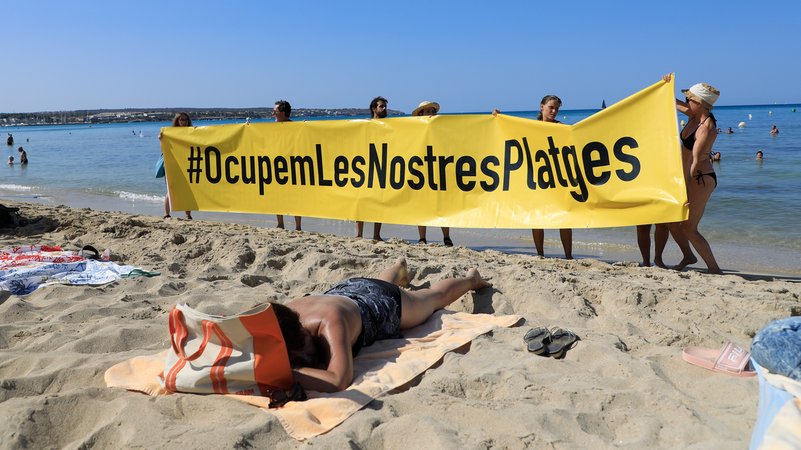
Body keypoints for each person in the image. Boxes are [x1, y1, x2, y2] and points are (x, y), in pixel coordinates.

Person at [271, 257, 491, 392]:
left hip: (381, 303)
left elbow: (338, 380)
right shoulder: (284, 317)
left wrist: (283, 372)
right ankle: (398, 266)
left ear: (302, 330)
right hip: (347, 290)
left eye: (302, 352)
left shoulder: (329, 322)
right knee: (380, 282)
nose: (305, 358)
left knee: (433, 298)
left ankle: (472, 279)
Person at [666, 75, 723, 274]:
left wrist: (686, 190)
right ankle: (688, 256)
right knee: (672, 220)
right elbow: (670, 101)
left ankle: (714, 269)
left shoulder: (706, 128)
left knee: (689, 228)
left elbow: (695, 161)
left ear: (699, 103)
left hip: (699, 179)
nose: (686, 101)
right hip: (688, 177)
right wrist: (666, 86)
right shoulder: (694, 115)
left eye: (689, 98)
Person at [531, 95, 573, 259]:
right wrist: (498, 117)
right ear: (542, 107)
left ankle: (568, 256)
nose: (554, 111)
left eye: (557, 108)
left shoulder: (561, 127)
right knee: (537, 217)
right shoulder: (530, 127)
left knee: (564, 216)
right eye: (551, 107)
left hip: (558, 177)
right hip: (537, 177)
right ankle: (540, 254)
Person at [412, 100, 453, 247]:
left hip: (438, 167)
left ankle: (446, 237)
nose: (431, 114)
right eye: (428, 111)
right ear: (421, 114)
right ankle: (422, 238)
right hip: (421, 169)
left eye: (432, 111)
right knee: (421, 205)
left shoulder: (441, 128)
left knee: (442, 205)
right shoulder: (414, 129)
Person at [355, 96, 388, 241]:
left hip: (382, 166)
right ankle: (359, 234)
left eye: (385, 106)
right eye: (381, 106)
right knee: (360, 201)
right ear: (374, 108)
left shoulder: (390, 125)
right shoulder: (365, 125)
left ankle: (376, 235)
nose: (384, 109)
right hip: (365, 165)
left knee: (379, 201)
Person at [273, 100, 303, 231]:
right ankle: (280, 223)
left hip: (293, 164)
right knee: (277, 195)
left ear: (283, 113)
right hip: (277, 164)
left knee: (296, 196)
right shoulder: (271, 128)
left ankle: (298, 226)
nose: (273, 114)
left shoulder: (295, 127)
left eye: (275, 111)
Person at [159, 112, 194, 220]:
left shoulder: (192, 132)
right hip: (172, 164)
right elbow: (164, 150)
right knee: (171, 189)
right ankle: (166, 214)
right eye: (181, 120)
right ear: (177, 121)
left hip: (187, 164)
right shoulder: (170, 133)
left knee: (188, 190)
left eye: (185, 120)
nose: (184, 122)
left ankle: (188, 215)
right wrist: (162, 139)